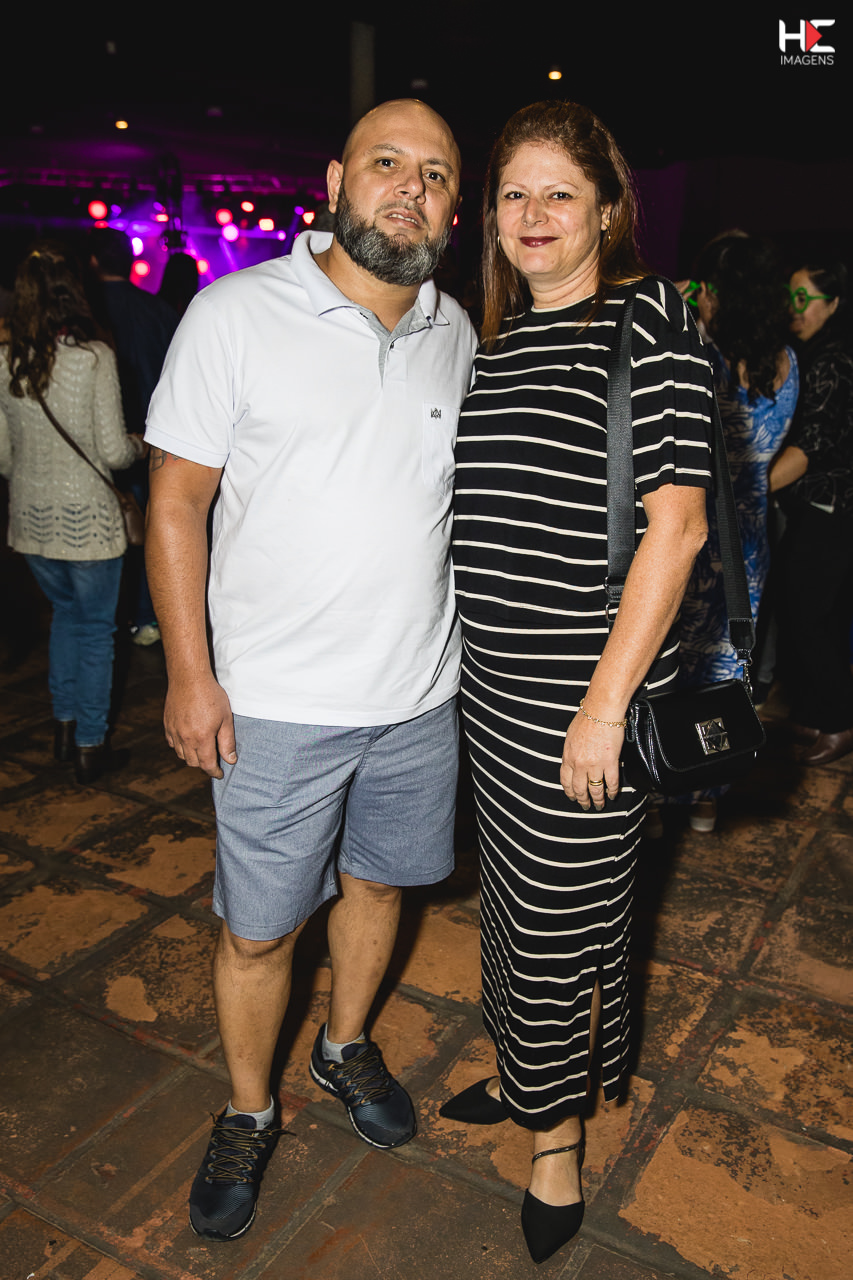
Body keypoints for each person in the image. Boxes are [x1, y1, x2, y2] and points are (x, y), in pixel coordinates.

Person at [144, 99, 476, 1242]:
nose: (410, 187)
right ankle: (248, 1108)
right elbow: (175, 501)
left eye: (435, 173)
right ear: (336, 178)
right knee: (258, 931)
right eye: (387, 162)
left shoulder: (456, 331)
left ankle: (342, 1045)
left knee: (381, 887)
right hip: (275, 706)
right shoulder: (235, 313)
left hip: (419, 697)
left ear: (453, 207)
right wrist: (190, 673)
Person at [443, 101, 713, 1264]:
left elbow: (678, 529)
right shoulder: (499, 343)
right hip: (493, 691)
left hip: (580, 694)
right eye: (513, 193)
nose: (534, 213)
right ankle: (524, 1073)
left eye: (560, 191)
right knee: (511, 904)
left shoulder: (650, 323)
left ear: (607, 207)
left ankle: (554, 1140)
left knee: (558, 926)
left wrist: (602, 708)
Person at [0, 242, 145, 783]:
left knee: (65, 617)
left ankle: (64, 728)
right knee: (97, 632)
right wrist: (140, 444)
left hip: (31, 521)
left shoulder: (6, 360)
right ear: (73, 293)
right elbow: (113, 452)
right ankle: (90, 745)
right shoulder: (92, 359)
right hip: (88, 522)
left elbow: (3, 457)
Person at [672, 235, 797, 832]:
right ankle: (707, 795)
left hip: (695, 532)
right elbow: (771, 456)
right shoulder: (787, 362)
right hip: (749, 539)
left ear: (717, 293)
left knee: (673, 662)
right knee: (727, 667)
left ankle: (661, 793)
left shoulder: (699, 355)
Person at [769, 260, 853, 764]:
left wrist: (749, 488)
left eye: (804, 298)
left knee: (807, 615)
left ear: (834, 303)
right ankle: (817, 713)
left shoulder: (833, 360)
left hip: (832, 507)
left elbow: (813, 445)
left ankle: (839, 723)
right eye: (790, 297)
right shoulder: (812, 353)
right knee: (812, 612)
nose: (793, 308)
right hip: (816, 506)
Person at [89, 227, 179, 647]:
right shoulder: (157, 310)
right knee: (148, 525)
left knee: (105, 532)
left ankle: (116, 616)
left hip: (98, 443)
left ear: (93, 263)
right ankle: (144, 617)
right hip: (153, 437)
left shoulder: (86, 313)